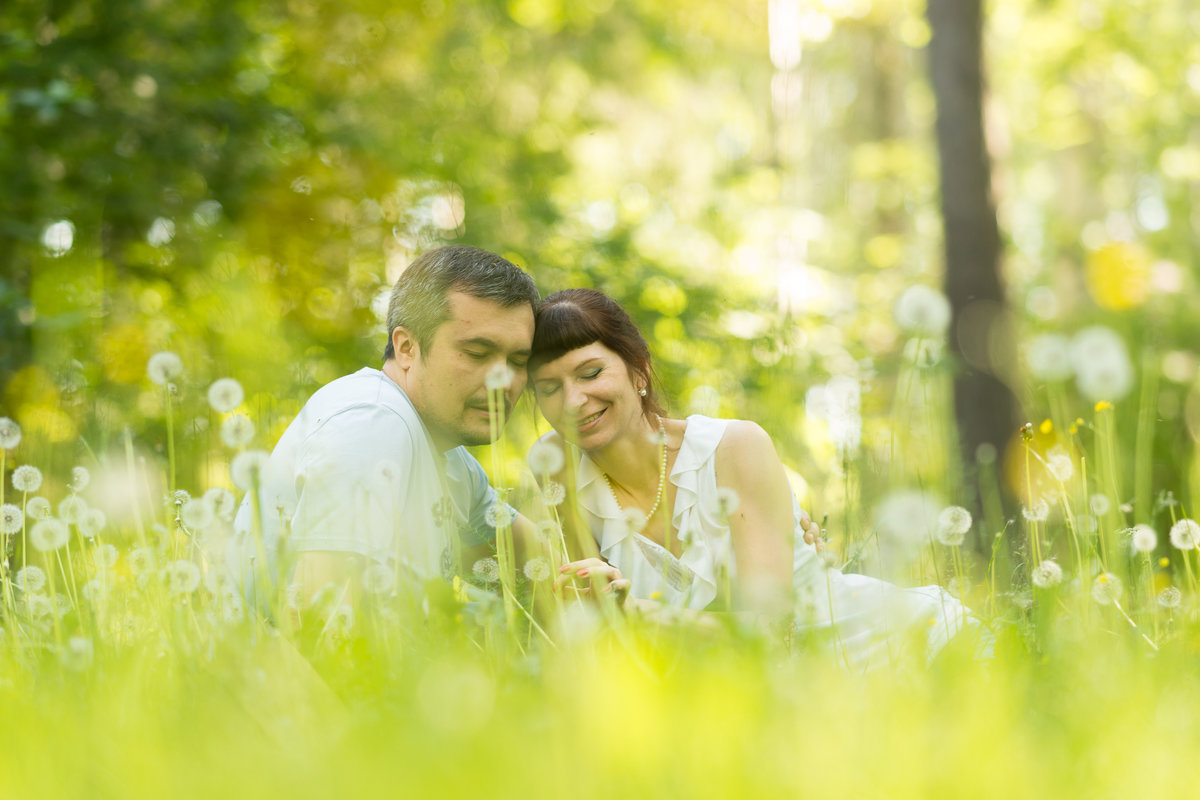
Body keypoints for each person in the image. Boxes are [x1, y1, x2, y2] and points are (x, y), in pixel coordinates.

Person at [528, 288, 976, 669]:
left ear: (639, 368)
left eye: (590, 373)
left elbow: (774, 636)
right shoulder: (556, 469)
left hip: (888, 655)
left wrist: (633, 614)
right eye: (548, 388)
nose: (572, 400)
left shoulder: (734, 447)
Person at [226, 245, 539, 610]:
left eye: (518, 361)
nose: (503, 380)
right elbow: (320, 626)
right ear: (406, 348)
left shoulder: (448, 456)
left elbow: (536, 561)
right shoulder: (372, 424)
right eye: (477, 354)